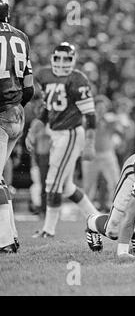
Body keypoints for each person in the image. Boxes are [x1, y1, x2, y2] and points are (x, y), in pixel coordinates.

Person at [26, 42, 100, 238]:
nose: (61, 62)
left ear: (73, 60)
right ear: (52, 58)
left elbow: (91, 115)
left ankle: (48, 230)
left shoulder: (78, 79)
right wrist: (33, 131)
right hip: (56, 132)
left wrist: (90, 144)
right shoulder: (43, 75)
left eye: (66, 58)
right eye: (58, 58)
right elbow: (47, 111)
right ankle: (96, 218)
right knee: (66, 187)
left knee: (52, 182)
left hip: (71, 133)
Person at [0, 0, 35, 253]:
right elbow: (29, 87)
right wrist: (17, 107)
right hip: (18, 113)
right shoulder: (21, 36)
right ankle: (10, 236)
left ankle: (4, 241)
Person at [81, 95, 121, 212]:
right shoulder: (88, 118)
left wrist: (115, 123)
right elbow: (85, 128)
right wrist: (98, 119)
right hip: (91, 156)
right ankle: (87, 211)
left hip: (107, 154)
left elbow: (121, 130)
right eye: (99, 107)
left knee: (115, 182)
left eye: (103, 107)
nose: (101, 110)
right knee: (88, 186)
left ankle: (116, 208)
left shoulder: (111, 119)